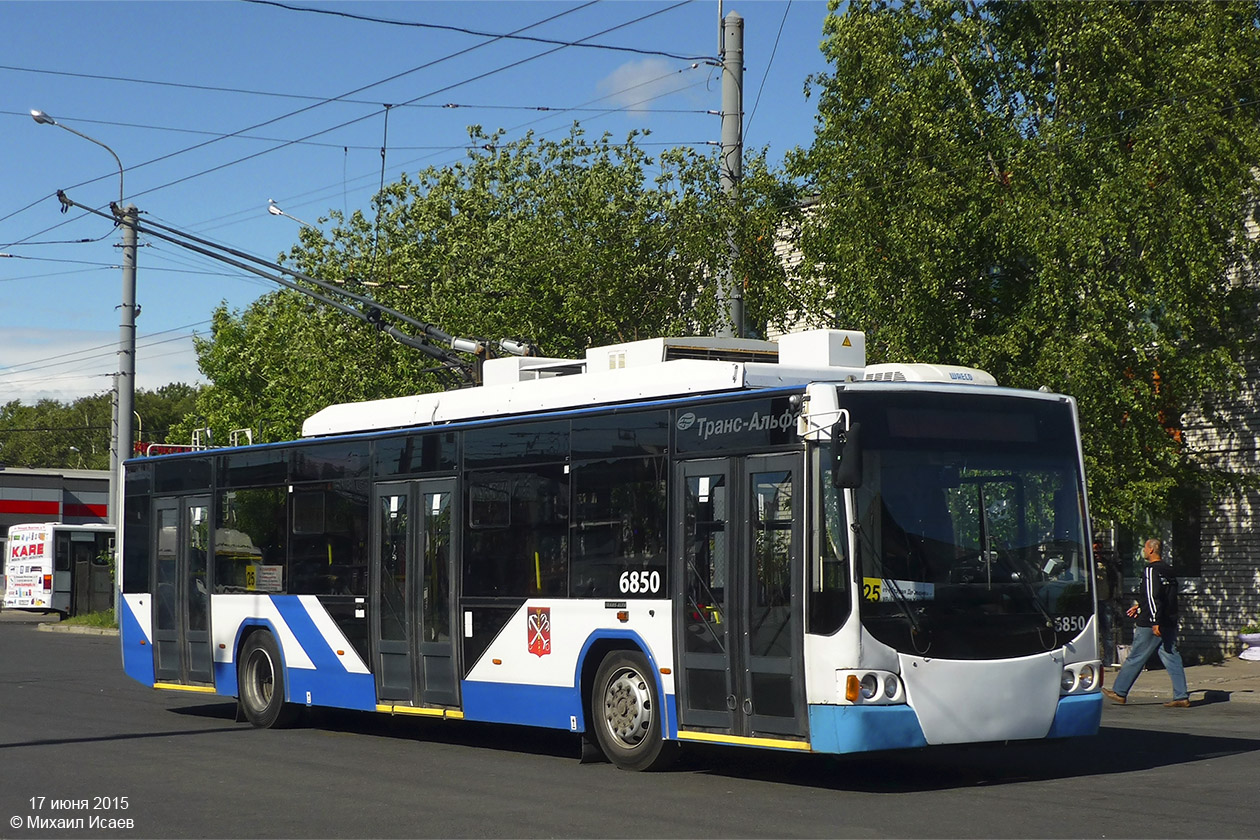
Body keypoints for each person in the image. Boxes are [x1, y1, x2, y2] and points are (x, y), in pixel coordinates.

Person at [1102, 538, 1191, 707]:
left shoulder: (1150, 570)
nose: (1143, 551)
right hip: (1168, 619)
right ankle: (1181, 696)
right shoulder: (1168, 570)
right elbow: (1166, 597)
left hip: (1151, 623)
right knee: (1171, 656)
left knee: (1136, 656)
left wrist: (1154, 620)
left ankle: (1120, 691)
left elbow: (1153, 596)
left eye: (1144, 548)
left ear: (1151, 550)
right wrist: (1140, 606)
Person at [1093, 540, 1122, 666]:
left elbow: (1114, 579)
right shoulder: (1088, 564)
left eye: (1099, 550)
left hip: (1105, 601)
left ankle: (1108, 660)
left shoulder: (1107, 564)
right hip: (1092, 604)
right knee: (1094, 633)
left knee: (1108, 632)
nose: (1097, 553)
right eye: (1095, 551)